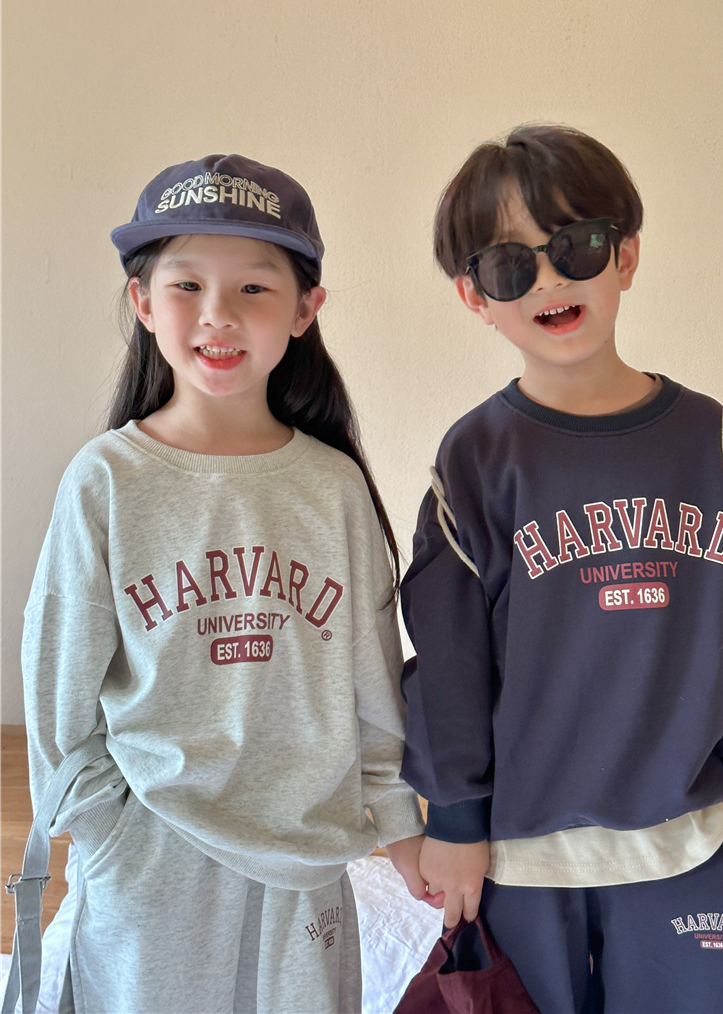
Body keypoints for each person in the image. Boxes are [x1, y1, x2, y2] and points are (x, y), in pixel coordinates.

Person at [400, 125, 723, 1014]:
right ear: (474, 296)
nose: (548, 279)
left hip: (688, 839)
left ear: (626, 256)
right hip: (520, 853)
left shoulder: (708, 437)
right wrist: (454, 820)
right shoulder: (475, 458)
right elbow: (449, 662)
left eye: (575, 246)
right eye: (511, 265)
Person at [19, 153, 428, 1014]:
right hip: (149, 854)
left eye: (253, 287)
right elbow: (58, 685)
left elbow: (373, 677)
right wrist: (101, 828)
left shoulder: (332, 487)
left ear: (305, 309)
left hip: (304, 860)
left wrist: (396, 822)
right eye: (187, 285)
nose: (218, 313)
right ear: (142, 301)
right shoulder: (107, 480)